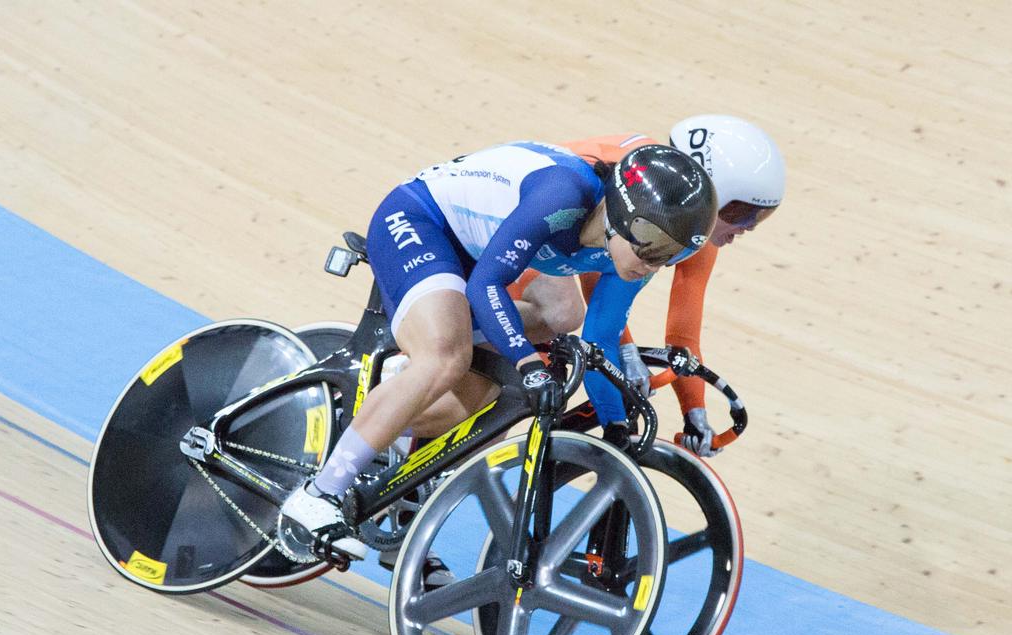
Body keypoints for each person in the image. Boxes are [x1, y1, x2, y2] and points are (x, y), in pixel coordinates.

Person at [275, 140, 717, 566]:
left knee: (545, 332)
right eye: (652, 244)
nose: (654, 262)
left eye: (672, 254)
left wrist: (615, 422)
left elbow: (600, 339)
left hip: (479, 246)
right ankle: (317, 498)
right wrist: (527, 363)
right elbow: (487, 284)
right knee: (446, 359)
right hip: (421, 218)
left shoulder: (630, 256)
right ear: (622, 213)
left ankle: (396, 397)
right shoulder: (563, 195)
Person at [511, 115, 786, 457]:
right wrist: (625, 349)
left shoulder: (693, 233)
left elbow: (683, 335)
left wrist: (694, 411)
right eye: (743, 213)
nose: (748, 228)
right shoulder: (645, 198)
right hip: (531, 233)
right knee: (559, 314)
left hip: (565, 249)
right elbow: (594, 275)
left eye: (759, 217)